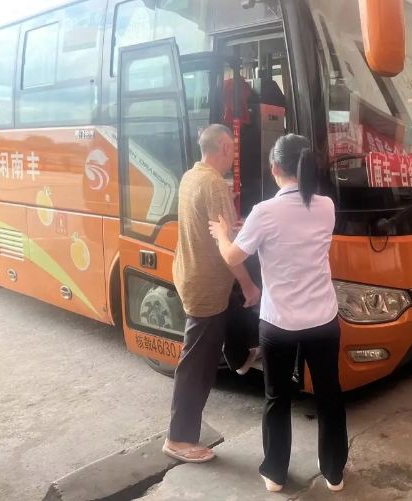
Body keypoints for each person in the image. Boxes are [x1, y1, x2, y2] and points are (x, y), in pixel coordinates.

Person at [209, 134, 348, 493]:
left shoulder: (264, 212)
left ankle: (274, 473)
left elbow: (232, 256)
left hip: (279, 323)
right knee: (329, 394)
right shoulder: (326, 206)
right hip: (323, 320)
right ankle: (334, 472)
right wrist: (250, 231)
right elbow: (297, 233)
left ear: (274, 167)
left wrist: (223, 233)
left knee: (277, 397)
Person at [163, 124, 261, 463]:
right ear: (223, 146)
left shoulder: (191, 177)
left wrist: (237, 225)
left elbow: (215, 227)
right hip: (206, 285)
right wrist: (248, 283)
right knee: (197, 365)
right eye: (232, 147)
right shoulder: (215, 184)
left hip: (190, 273)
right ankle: (179, 439)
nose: (234, 154)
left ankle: (240, 356)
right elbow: (229, 250)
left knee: (230, 314)